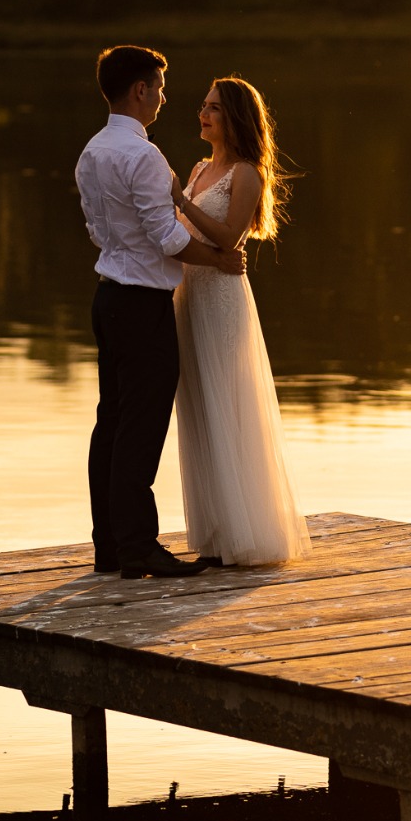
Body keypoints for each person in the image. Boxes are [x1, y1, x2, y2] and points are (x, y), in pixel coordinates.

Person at [76, 44, 247, 581]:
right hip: (143, 305)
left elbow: (97, 231)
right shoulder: (142, 156)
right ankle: (139, 547)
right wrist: (218, 260)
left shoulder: (91, 152)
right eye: (161, 88)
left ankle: (109, 545)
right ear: (140, 91)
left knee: (111, 422)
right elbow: (168, 238)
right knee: (141, 428)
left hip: (108, 298)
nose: (165, 99)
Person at [170, 77, 311, 567]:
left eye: (213, 109)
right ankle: (214, 536)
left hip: (222, 300)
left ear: (234, 118)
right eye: (202, 106)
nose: (202, 115)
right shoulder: (198, 168)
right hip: (189, 297)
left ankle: (245, 535)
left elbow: (230, 239)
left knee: (227, 402)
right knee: (199, 408)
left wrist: (181, 201)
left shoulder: (246, 173)